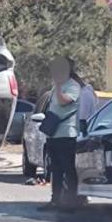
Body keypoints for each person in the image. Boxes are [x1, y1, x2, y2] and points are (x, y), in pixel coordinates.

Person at [38, 57, 81, 211]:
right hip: (53, 135)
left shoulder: (73, 86)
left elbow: (64, 101)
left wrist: (57, 86)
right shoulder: (55, 87)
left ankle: (71, 201)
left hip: (67, 134)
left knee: (68, 169)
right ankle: (55, 200)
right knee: (55, 170)